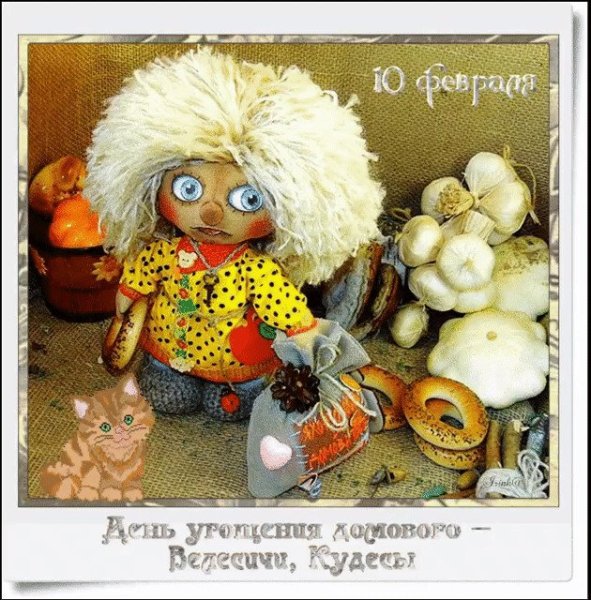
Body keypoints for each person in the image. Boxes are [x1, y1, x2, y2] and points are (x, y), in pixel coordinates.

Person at [85, 48, 384, 420]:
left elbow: (279, 300)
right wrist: (129, 292)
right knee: (168, 387)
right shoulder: (166, 253)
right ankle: (169, 372)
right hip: (171, 341)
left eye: (247, 199)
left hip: (233, 360)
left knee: (234, 393)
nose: (211, 213)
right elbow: (143, 270)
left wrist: (301, 330)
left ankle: (234, 389)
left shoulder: (255, 269)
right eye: (189, 189)